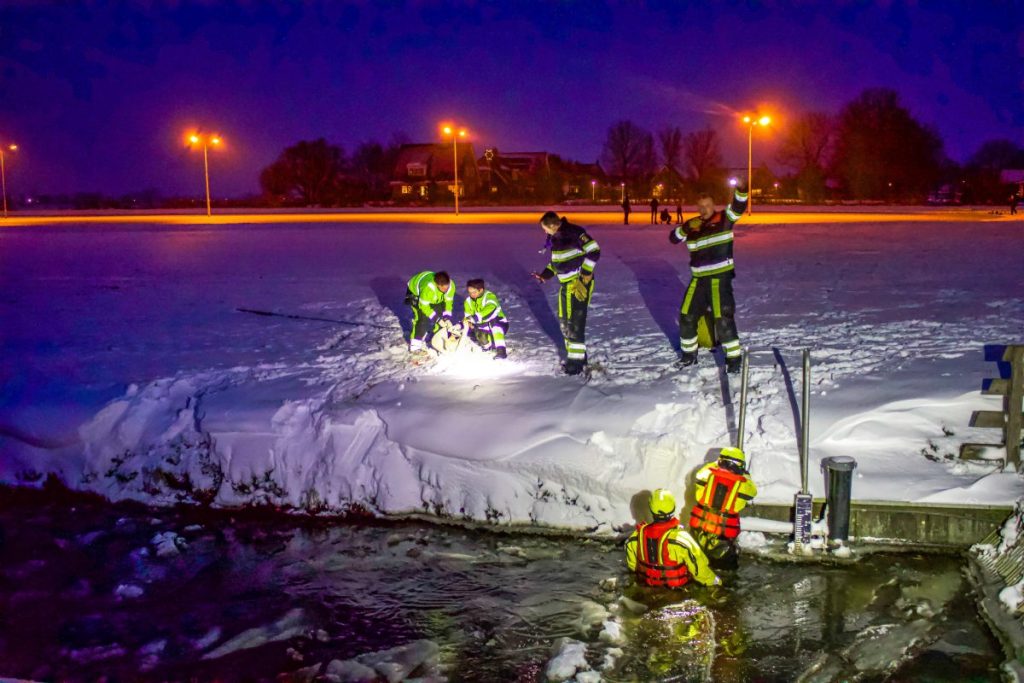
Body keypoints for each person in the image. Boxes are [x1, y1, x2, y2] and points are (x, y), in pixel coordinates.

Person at [670, 184, 748, 373]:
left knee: (723, 319)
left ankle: (734, 361)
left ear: (713, 205)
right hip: (698, 280)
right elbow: (673, 238)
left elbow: (739, 207)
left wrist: (742, 189)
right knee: (686, 316)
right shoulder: (693, 225)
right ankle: (689, 356)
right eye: (701, 206)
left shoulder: (724, 218)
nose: (704, 209)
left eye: (708, 205)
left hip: (719, 279)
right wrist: (686, 227)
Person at [532, 210, 601, 375]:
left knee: (574, 321)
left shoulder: (574, 232)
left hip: (578, 283)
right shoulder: (556, 238)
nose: (544, 232)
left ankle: (575, 363)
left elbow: (594, 250)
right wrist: (545, 275)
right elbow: (558, 262)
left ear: (553, 225)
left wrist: (586, 273)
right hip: (566, 285)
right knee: (565, 321)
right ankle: (578, 356)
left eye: (544, 228)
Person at [625, 489, 721, 588]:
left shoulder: (636, 537)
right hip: (677, 591)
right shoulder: (682, 539)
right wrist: (716, 582)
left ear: (651, 509)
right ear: (673, 507)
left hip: (646, 589)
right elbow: (700, 570)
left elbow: (632, 566)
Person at [688, 447, 757, 570]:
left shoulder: (707, 474)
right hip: (722, 537)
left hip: (699, 531)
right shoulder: (742, 483)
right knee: (724, 572)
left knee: (696, 567)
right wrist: (745, 475)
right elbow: (752, 492)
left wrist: (716, 465)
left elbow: (700, 477)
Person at [405, 270, 455, 353]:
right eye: (443, 288)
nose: (445, 290)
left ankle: (436, 338)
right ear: (437, 284)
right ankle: (415, 346)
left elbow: (448, 302)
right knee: (422, 318)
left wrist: (447, 318)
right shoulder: (428, 288)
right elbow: (424, 307)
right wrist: (437, 319)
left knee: (440, 314)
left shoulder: (451, 286)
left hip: (433, 296)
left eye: (447, 287)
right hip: (415, 292)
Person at [463, 278, 509, 359]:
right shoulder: (468, 301)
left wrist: (475, 317)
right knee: (479, 336)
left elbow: (490, 308)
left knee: (495, 325)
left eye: (474, 292)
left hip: (499, 323)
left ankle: (501, 352)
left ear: (481, 290)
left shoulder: (490, 296)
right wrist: (467, 323)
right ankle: (488, 347)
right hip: (483, 326)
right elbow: (467, 317)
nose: (471, 295)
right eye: (470, 292)